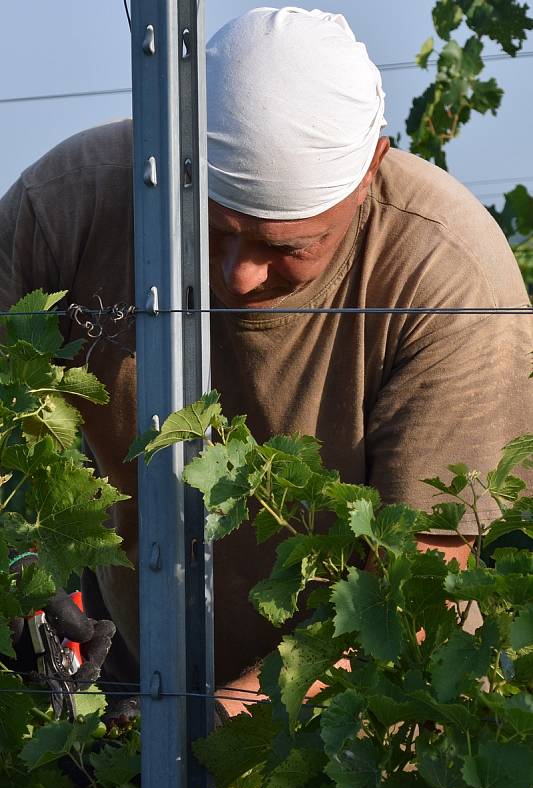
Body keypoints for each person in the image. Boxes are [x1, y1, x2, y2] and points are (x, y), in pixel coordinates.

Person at [0, 8, 531, 718]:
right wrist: (17, 568)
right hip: (128, 675)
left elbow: (421, 579)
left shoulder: (445, 272)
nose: (239, 275)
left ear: (371, 167)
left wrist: (222, 726)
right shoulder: (68, 205)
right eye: (214, 226)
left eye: (288, 247)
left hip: (354, 725)